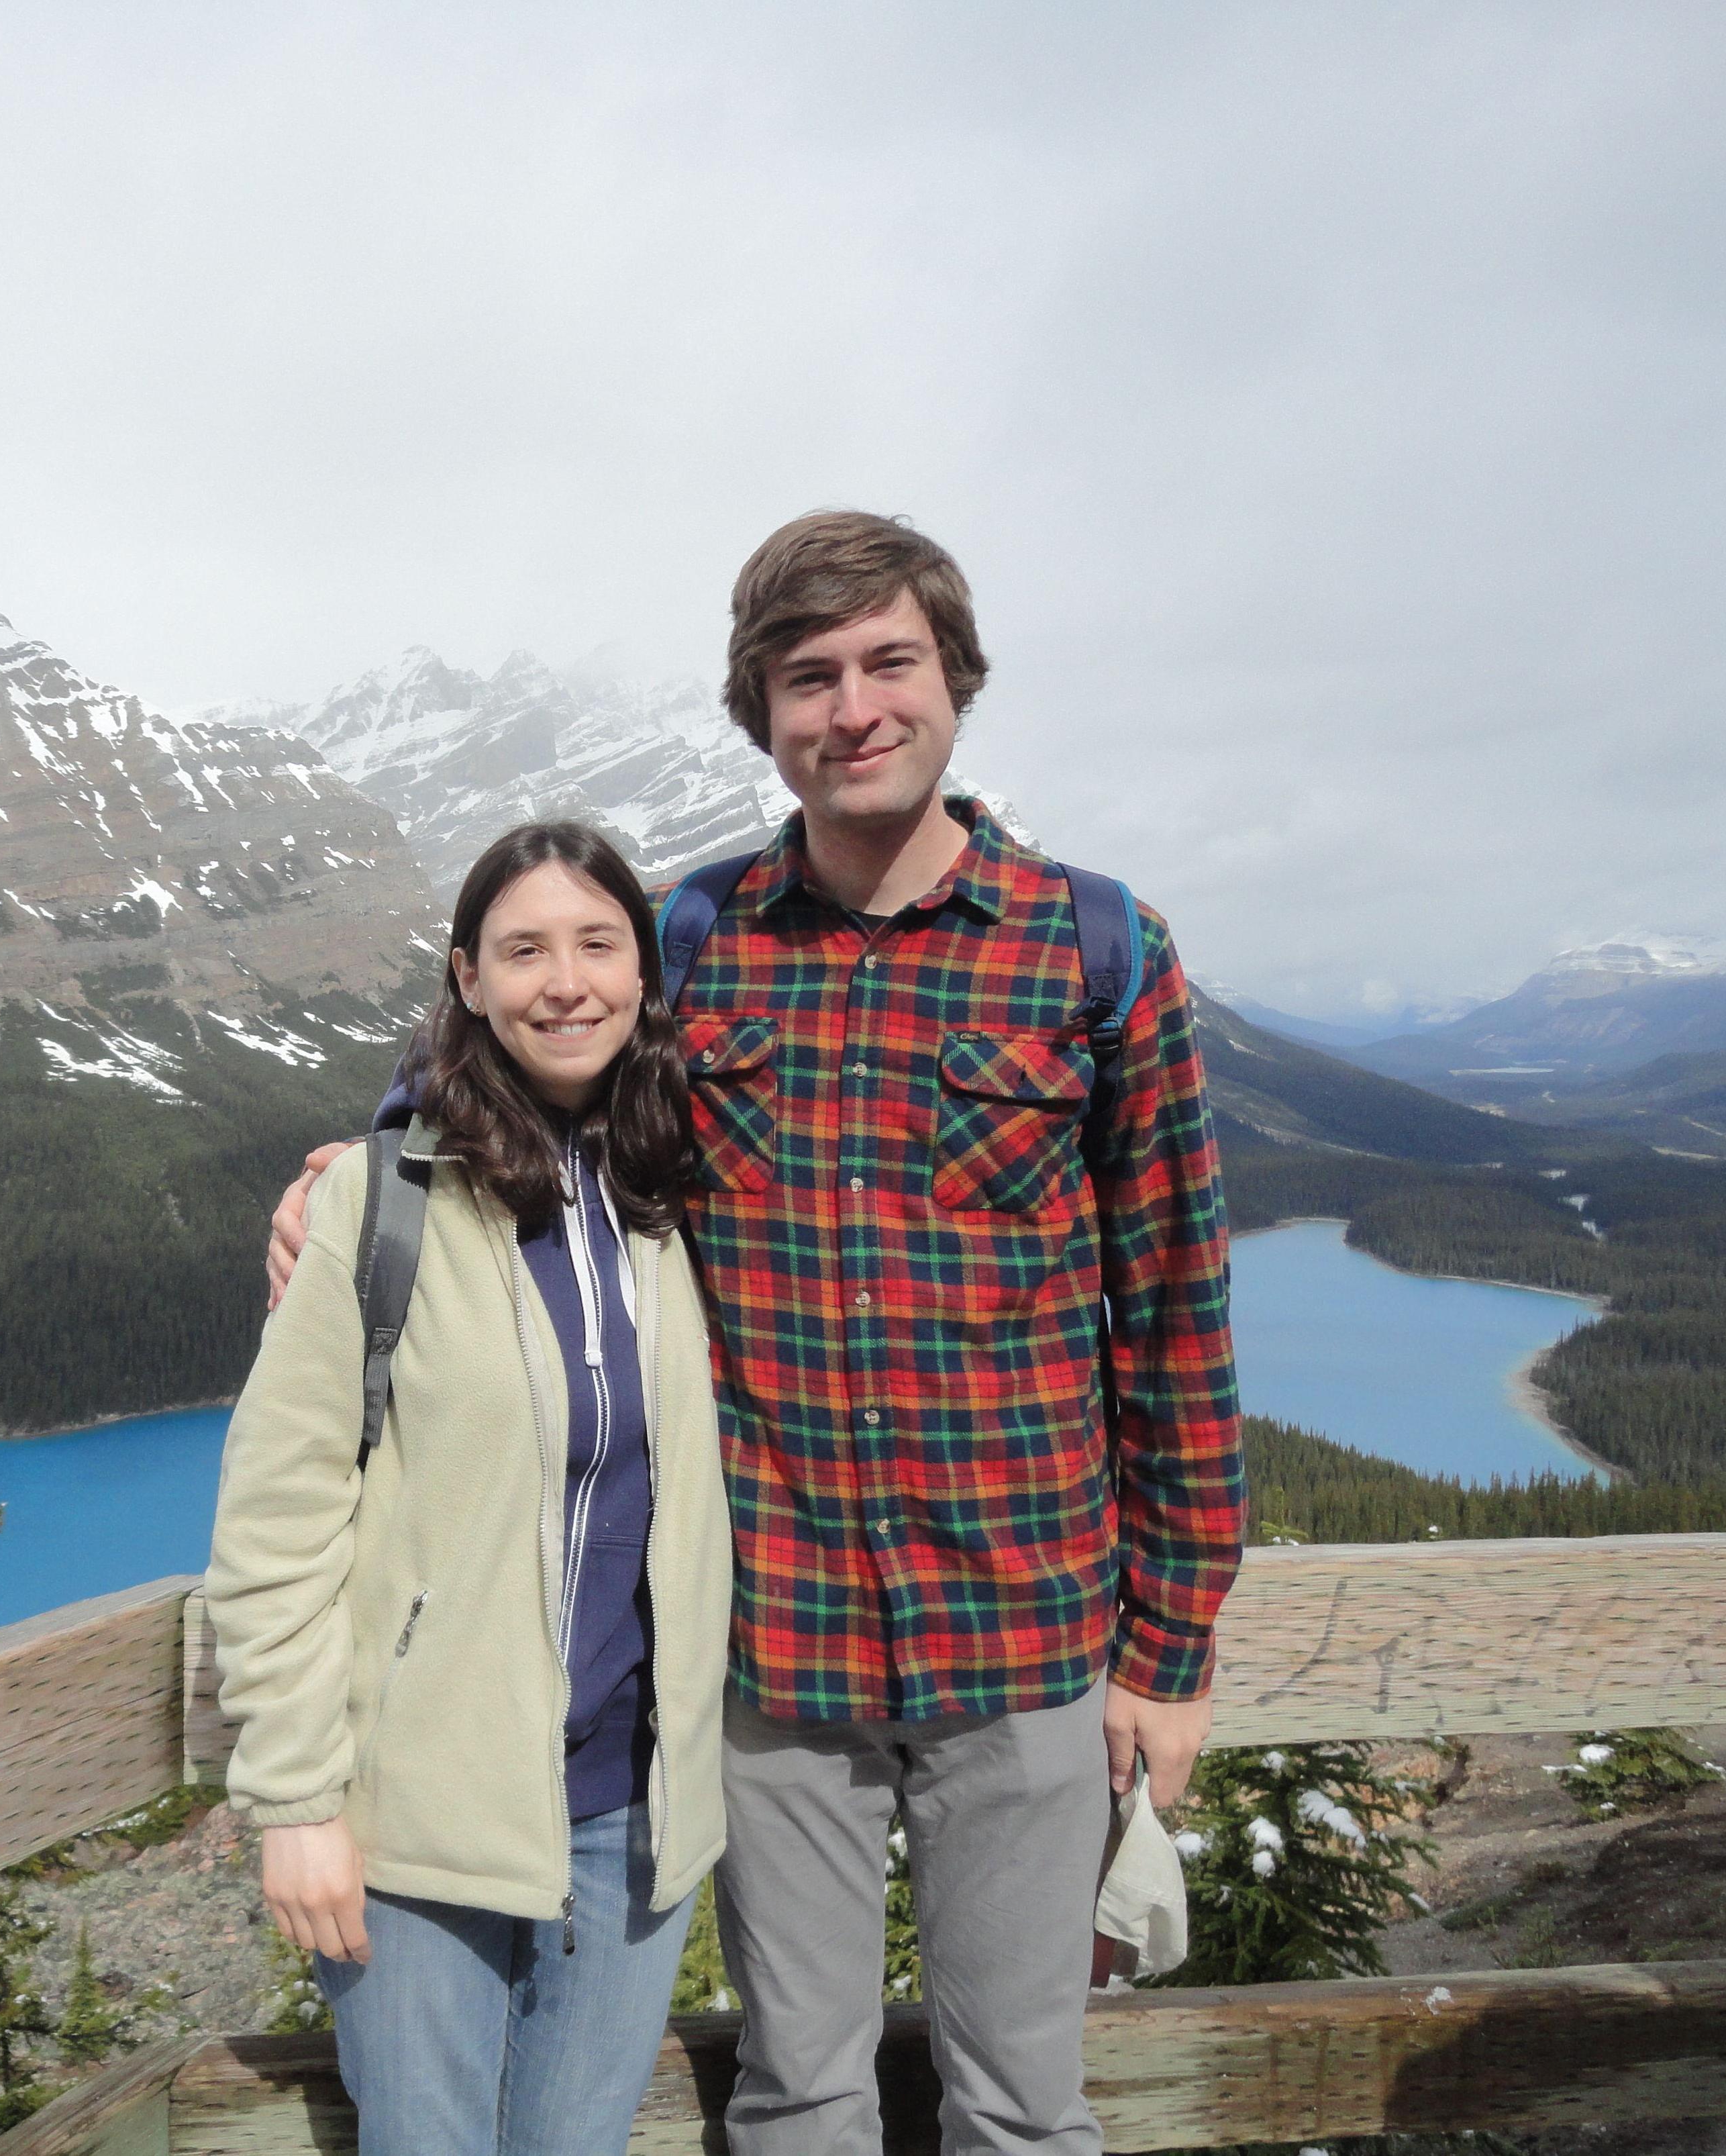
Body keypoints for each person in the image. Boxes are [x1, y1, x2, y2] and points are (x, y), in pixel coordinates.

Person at [269, 513, 1246, 2153]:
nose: (853, 707)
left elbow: (1177, 1309)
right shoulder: (702, 935)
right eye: (810, 677)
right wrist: (360, 1150)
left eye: (888, 664)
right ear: (763, 711)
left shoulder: (1093, 948)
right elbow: (528, 1036)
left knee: (1024, 2104)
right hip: (773, 1651)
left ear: (954, 681)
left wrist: (1172, 1642)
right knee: (800, 2095)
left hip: (1021, 1629)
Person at [208, 820, 733, 2156]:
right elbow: (276, 1525)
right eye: (525, 950)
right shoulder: (384, 1202)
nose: (567, 981)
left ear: (643, 976)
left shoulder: (666, 1193)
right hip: (419, 1818)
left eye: (598, 944)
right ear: (469, 977)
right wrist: (298, 1806)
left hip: (627, 1814)